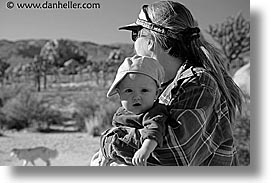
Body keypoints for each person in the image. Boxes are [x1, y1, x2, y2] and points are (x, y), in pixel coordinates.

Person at [91, 0, 243, 166]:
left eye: (135, 33)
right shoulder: (160, 86)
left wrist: (109, 141)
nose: (133, 43)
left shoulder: (198, 83)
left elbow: (173, 154)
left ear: (150, 41)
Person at [91, 55, 170, 166]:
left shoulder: (154, 113)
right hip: (117, 155)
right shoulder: (121, 113)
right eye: (129, 91)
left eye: (144, 90)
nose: (136, 96)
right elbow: (115, 132)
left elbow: (154, 133)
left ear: (156, 93)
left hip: (136, 159)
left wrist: (145, 150)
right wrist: (104, 153)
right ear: (119, 94)